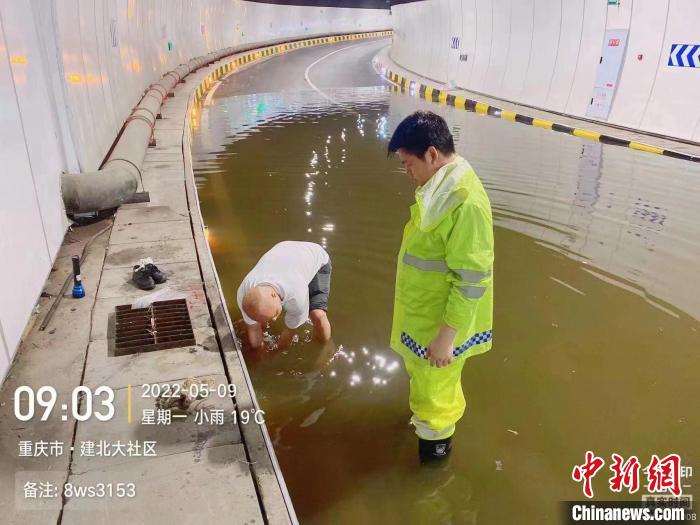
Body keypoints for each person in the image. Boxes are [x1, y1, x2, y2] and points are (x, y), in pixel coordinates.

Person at [387, 111, 494, 463]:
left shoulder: (465, 203)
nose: (407, 172)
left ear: (432, 155)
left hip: (439, 328)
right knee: (427, 392)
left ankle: (433, 470)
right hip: (423, 317)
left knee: (437, 404)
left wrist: (445, 337)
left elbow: (471, 280)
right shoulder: (439, 190)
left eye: (409, 163)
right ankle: (425, 427)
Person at [237, 241, 332, 350]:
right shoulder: (243, 293)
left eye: (275, 314)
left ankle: (323, 348)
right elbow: (253, 328)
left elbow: (290, 330)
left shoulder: (296, 296)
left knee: (318, 315)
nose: (275, 319)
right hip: (285, 251)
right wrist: (260, 354)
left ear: (273, 295)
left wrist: (278, 351)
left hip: (316, 257)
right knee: (258, 323)